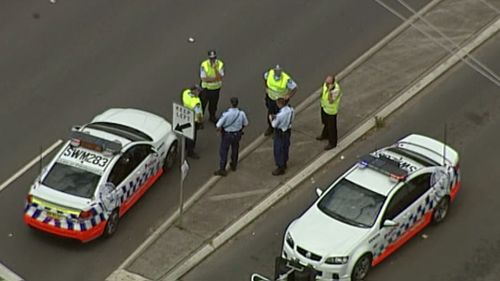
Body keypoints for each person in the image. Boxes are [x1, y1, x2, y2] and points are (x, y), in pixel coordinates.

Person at [214, 97, 249, 176]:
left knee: (224, 151)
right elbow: (246, 123)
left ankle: (222, 169)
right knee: (235, 149)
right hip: (237, 134)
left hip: (227, 135)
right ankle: (234, 165)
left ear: (231, 103)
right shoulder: (241, 113)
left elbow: (218, 125)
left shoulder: (226, 114)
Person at [263, 65, 297, 136]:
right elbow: (265, 78)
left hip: (281, 101)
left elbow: (294, 88)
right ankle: (270, 128)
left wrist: (288, 96)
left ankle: (277, 131)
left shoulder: (286, 79)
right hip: (271, 98)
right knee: (270, 113)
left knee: (280, 116)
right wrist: (266, 87)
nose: (277, 79)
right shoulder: (270, 73)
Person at [269, 98, 294, 176]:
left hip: (280, 132)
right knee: (285, 147)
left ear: (279, 104)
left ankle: (280, 167)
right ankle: (285, 162)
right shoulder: (291, 110)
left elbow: (274, 124)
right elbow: (292, 118)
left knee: (278, 149)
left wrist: (271, 118)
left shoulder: (280, 115)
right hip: (287, 130)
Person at [316, 75, 342, 150]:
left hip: (331, 111)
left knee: (332, 127)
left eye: (328, 83)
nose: (326, 84)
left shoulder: (336, 90)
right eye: (326, 82)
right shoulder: (326, 84)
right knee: (325, 123)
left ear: (332, 83)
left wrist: (330, 91)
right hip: (324, 107)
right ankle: (325, 135)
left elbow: (330, 101)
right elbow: (323, 92)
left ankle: (332, 143)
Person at [200, 49, 225, 123]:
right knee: (202, 105)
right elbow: (203, 78)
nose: (213, 60)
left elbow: (220, 77)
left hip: (215, 89)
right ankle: (199, 120)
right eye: (211, 58)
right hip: (205, 89)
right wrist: (215, 79)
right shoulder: (204, 64)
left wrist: (215, 69)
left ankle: (212, 117)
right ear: (209, 58)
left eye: (214, 58)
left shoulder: (220, 64)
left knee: (213, 105)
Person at [182, 85, 204, 159]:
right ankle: (190, 152)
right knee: (192, 137)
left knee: (186, 133)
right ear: (194, 91)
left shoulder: (186, 93)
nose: (199, 93)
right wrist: (201, 122)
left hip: (185, 116)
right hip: (193, 120)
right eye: (198, 91)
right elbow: (199, 114)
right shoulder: (196, 102)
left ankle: (185, 146)